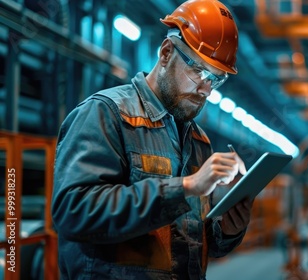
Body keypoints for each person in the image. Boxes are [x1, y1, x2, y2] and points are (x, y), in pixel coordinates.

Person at [51, 0, 253, 279]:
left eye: (216, 80)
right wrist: (186, 187)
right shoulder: (106, 114)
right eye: (198, 71)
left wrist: (228, 229)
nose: (206, 89)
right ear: (167, 52)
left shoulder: (198, 140)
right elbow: (73, 212)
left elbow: (191, 240)